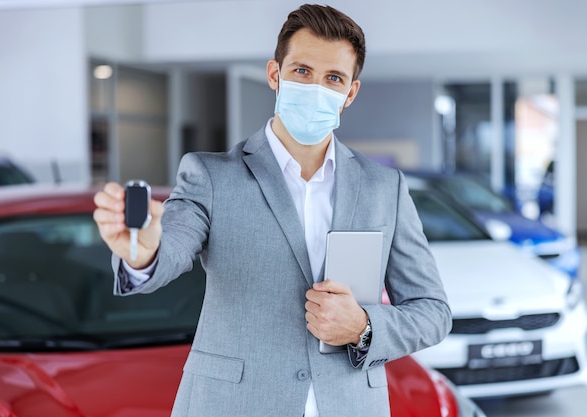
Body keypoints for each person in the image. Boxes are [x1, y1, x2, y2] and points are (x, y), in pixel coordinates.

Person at [93, 4, 451, 416]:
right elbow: (170, 249)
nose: (316, 87)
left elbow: (433, 312)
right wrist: (142, 252)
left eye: (333, 77)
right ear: (274, 74)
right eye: (301, 71)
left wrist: (363, 327)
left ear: (350, 92)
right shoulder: (210, 175)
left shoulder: (384, 187)